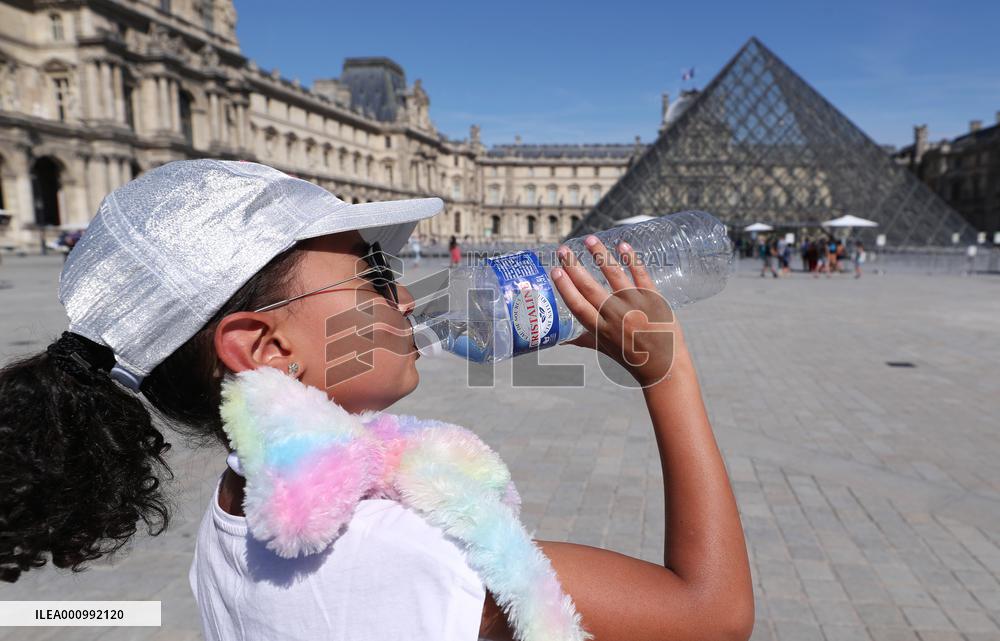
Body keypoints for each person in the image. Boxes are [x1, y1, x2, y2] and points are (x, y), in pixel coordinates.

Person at [0, 160, 753, 641]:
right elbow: (711, 612)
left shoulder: (234, 513)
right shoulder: (404, 550)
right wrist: (667, 372)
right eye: (369, 272)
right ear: (266, 348)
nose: (402, 291)